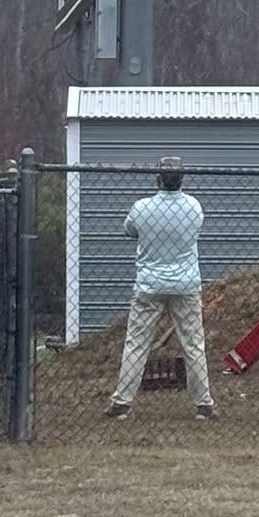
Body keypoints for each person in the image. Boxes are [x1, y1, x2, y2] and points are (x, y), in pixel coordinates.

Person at [106, 156, 215, 420]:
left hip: (149, 284)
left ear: (157, 178)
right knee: (193, 344)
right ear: (182, 179)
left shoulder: (142, 208)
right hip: (186, 284)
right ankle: (203, 403)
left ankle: (122, 401)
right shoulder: (193, 207)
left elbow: (129, 231)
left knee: (136, 344)